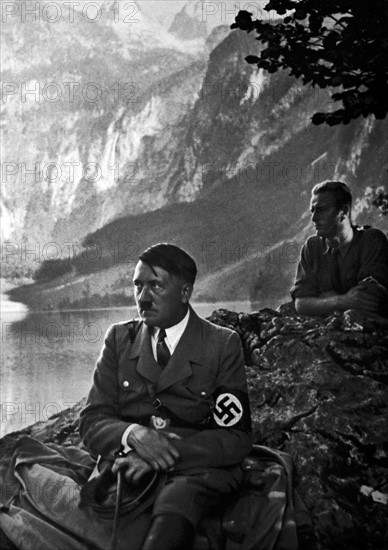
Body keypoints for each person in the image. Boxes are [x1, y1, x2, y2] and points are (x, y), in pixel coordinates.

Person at [79, 243, 252, 550]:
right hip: (128, 463)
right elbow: (92, 420)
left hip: (197, 468)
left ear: (185, 292)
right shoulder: (119, 339)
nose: (142, 298)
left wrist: (160, 455)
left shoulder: (222, 344)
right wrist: (134, 435)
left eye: (156, 285)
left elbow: (235, 438)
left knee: (178, 499)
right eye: (138, 286)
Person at [291, 180, 388, 317]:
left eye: (321, 210)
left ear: (344, 211)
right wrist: (344, 301)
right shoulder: (312, 247)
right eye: (313, 211)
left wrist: (325, 299)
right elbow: (301, 304)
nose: (313, 218)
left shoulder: (371, 240)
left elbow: (370, 299)